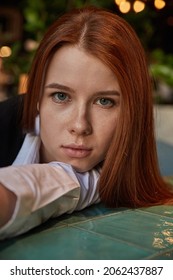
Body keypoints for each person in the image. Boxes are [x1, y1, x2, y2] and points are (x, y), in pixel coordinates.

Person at [0, 6, 173, 240]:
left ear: (131, 111)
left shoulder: (118, 169)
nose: (80, 126)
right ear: (37, 97)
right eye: (61, 96)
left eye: (104, 101)